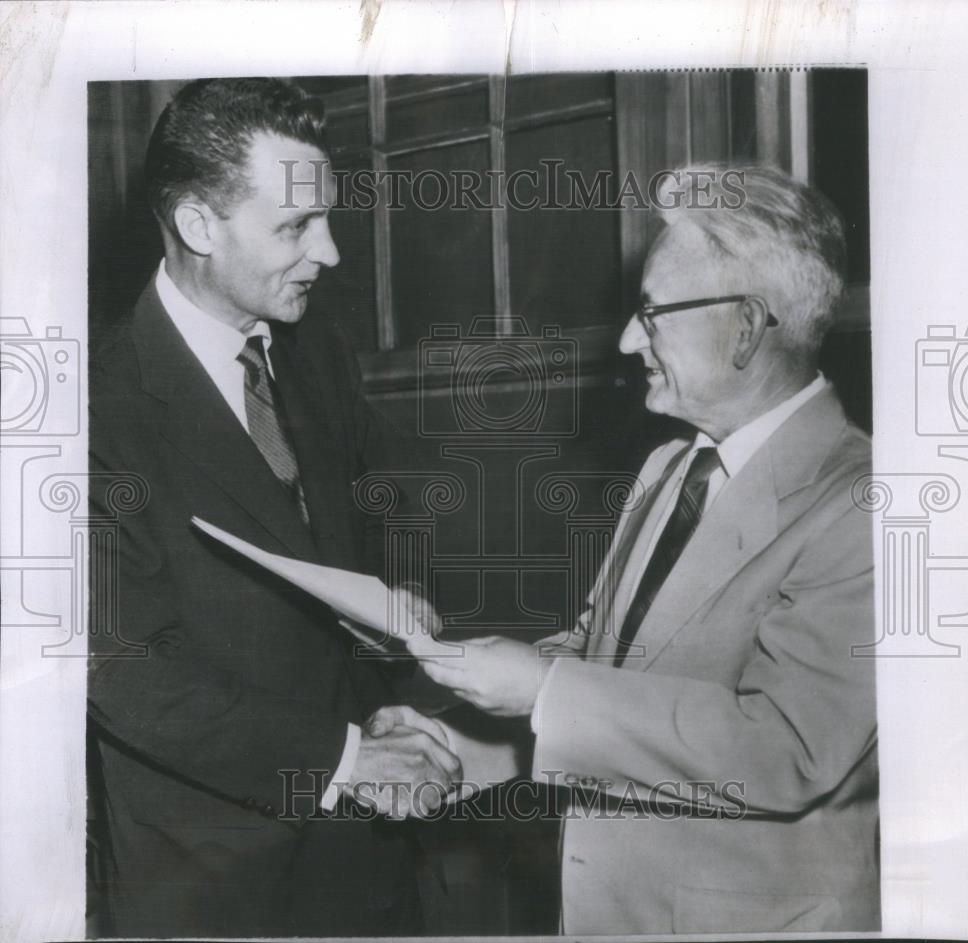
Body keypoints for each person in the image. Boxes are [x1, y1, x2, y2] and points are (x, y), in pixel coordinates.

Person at [387, 165, 879, 934]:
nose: (625, 340)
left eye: (651, 315)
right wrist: (455, 743)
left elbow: (788, 747)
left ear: (745, 327)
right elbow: (599, 660)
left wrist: (545, 690)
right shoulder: (669, 468)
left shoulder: (863, 502)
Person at [87, 78, 460, 938]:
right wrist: (351, 757)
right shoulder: (89, 412)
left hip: (366, 856)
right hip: (216, 879)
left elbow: (382, 518)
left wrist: (398, 676)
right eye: (296, 226)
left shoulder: (315, 348)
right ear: (196, 226)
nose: (329, 253)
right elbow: (124, 673)